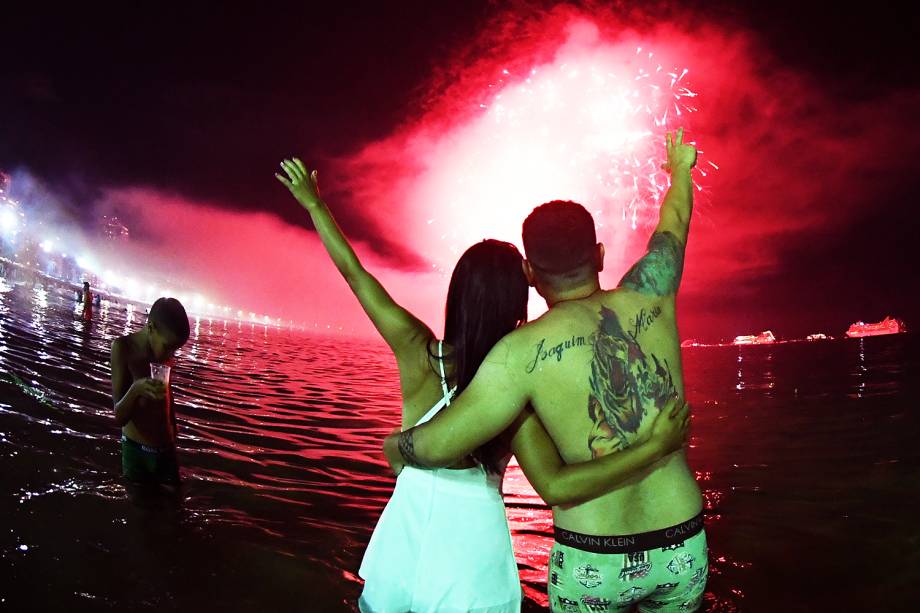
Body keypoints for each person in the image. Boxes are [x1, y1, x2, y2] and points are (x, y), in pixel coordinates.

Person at [276, 158, 690, 613]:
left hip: (408, 537)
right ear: (523, 290)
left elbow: (358, 277)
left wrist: (316, 206)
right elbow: (555, 482)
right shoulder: (519, 384)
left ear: (457, 290)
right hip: (475, 553)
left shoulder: (423, 354)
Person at [385, 129, 706, 612]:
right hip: (682, 544)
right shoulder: (651, 292)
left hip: (594, 558)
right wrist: (679, 170)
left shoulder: (518, 354)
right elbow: (674, 224)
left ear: (531, 275)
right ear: (598, 255)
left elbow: (435, 445)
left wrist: (397, 445)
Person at [110, 297, 190, 486]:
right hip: (137, 451)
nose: (171, 355)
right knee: (141, 510)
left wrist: (174, 424)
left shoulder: (163, 355)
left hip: (166, 450)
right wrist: (136, 389)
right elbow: (119, 416)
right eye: (168, 347)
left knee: (175, 509)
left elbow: (167, 395)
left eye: (176, 350)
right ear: (151, 327)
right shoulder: (123, 349)